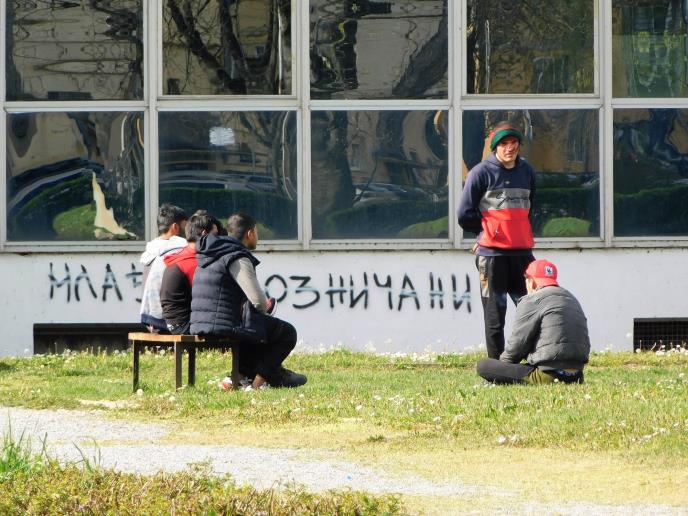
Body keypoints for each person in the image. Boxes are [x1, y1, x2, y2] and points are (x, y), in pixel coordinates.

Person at [190, 213, 307, 389]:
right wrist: (267, 305)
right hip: (223, 323)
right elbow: (259, 302)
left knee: (253, 328)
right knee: (287, 333)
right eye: (257, 233)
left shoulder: (210, 253)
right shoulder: (237, 256)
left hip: (200, 322)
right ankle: (258, 383)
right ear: (250, 233)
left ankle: (238, 377)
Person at [458, 121, 536, 359]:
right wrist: (484, 234)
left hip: (523, 254)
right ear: (495, 147)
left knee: (533, 310)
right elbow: (464, 213)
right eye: (504, 144)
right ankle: (497, 366)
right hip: (492, 256)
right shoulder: (481, 173)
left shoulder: (527, 171)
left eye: (514, 143)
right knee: (495, 315)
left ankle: (531, 361)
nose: (510, 148)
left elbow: (530, 207)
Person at [476, 259, 590, 384]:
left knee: (484, 366)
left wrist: (499, 371)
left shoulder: (532, 300)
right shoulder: (570, 298)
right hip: (577, 376)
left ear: (531, 282)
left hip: (549, 376)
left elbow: (517, 345)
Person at [160, 211, 222, 335]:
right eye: (215, 235)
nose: (218, 240)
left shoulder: (181, 256)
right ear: (205, 234)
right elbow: (209, 295)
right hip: (185, 325)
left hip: (173, 322)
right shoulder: (193, 262)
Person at [139, 204, 188, 332]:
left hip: (149, 317)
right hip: (169, 320)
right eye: (185, 226)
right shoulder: (176, 251)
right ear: (175, 227)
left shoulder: (151, 250)